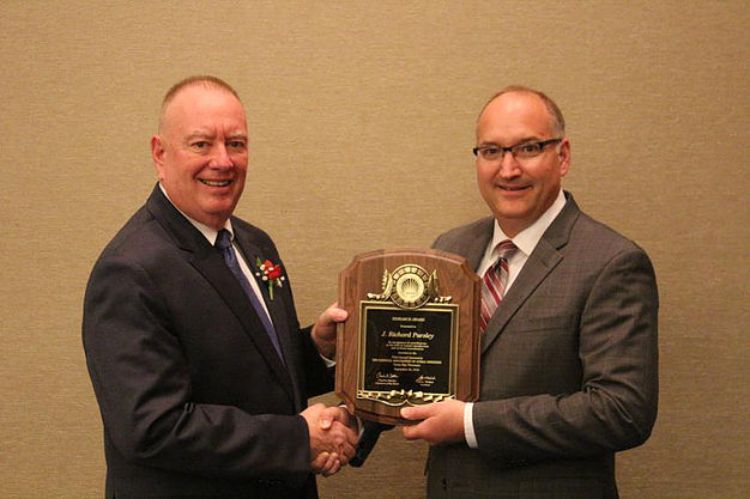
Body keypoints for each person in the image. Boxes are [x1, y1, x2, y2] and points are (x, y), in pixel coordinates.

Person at [82, 76, 358, 499]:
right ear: (160, 153)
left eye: (236, 143)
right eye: (201, 144)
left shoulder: (253, 242)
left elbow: (249, 372)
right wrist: (296, 440)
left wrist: (316, 347)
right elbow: (153, 427)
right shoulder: (130, 270)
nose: (223, 161)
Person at [399, 86, 659, 498]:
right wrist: (357, 415)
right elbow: (420, 365)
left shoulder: (611, 262)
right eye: (491, 151)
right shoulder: (451, 249)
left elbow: (622, 411)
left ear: (564, 155)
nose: (508, 169)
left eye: (528, 148)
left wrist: (470, 423)